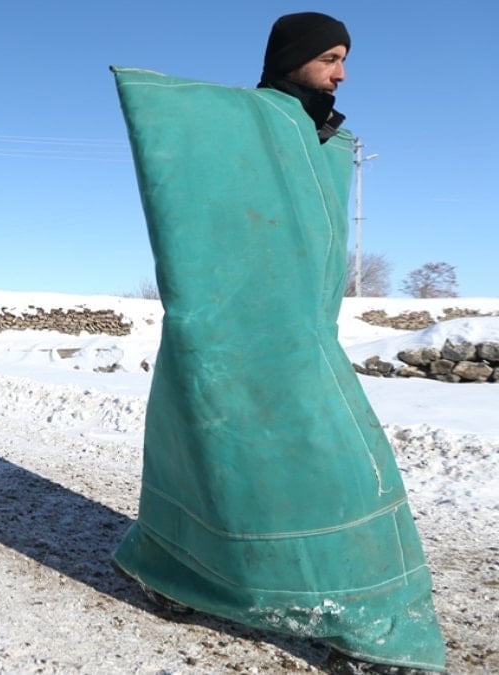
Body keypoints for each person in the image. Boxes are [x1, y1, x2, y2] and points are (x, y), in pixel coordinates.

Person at [108, 12, 448, 675]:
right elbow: (190, 148)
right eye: (328, 57)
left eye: (345, 59)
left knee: (327, 469)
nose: (341, 73)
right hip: (229, 331)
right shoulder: (245, 120)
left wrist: (321, 141)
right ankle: (178, 569)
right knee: (217, 460)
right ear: (291, 57)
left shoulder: (321, 135)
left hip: (302, 332)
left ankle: (358, 611)